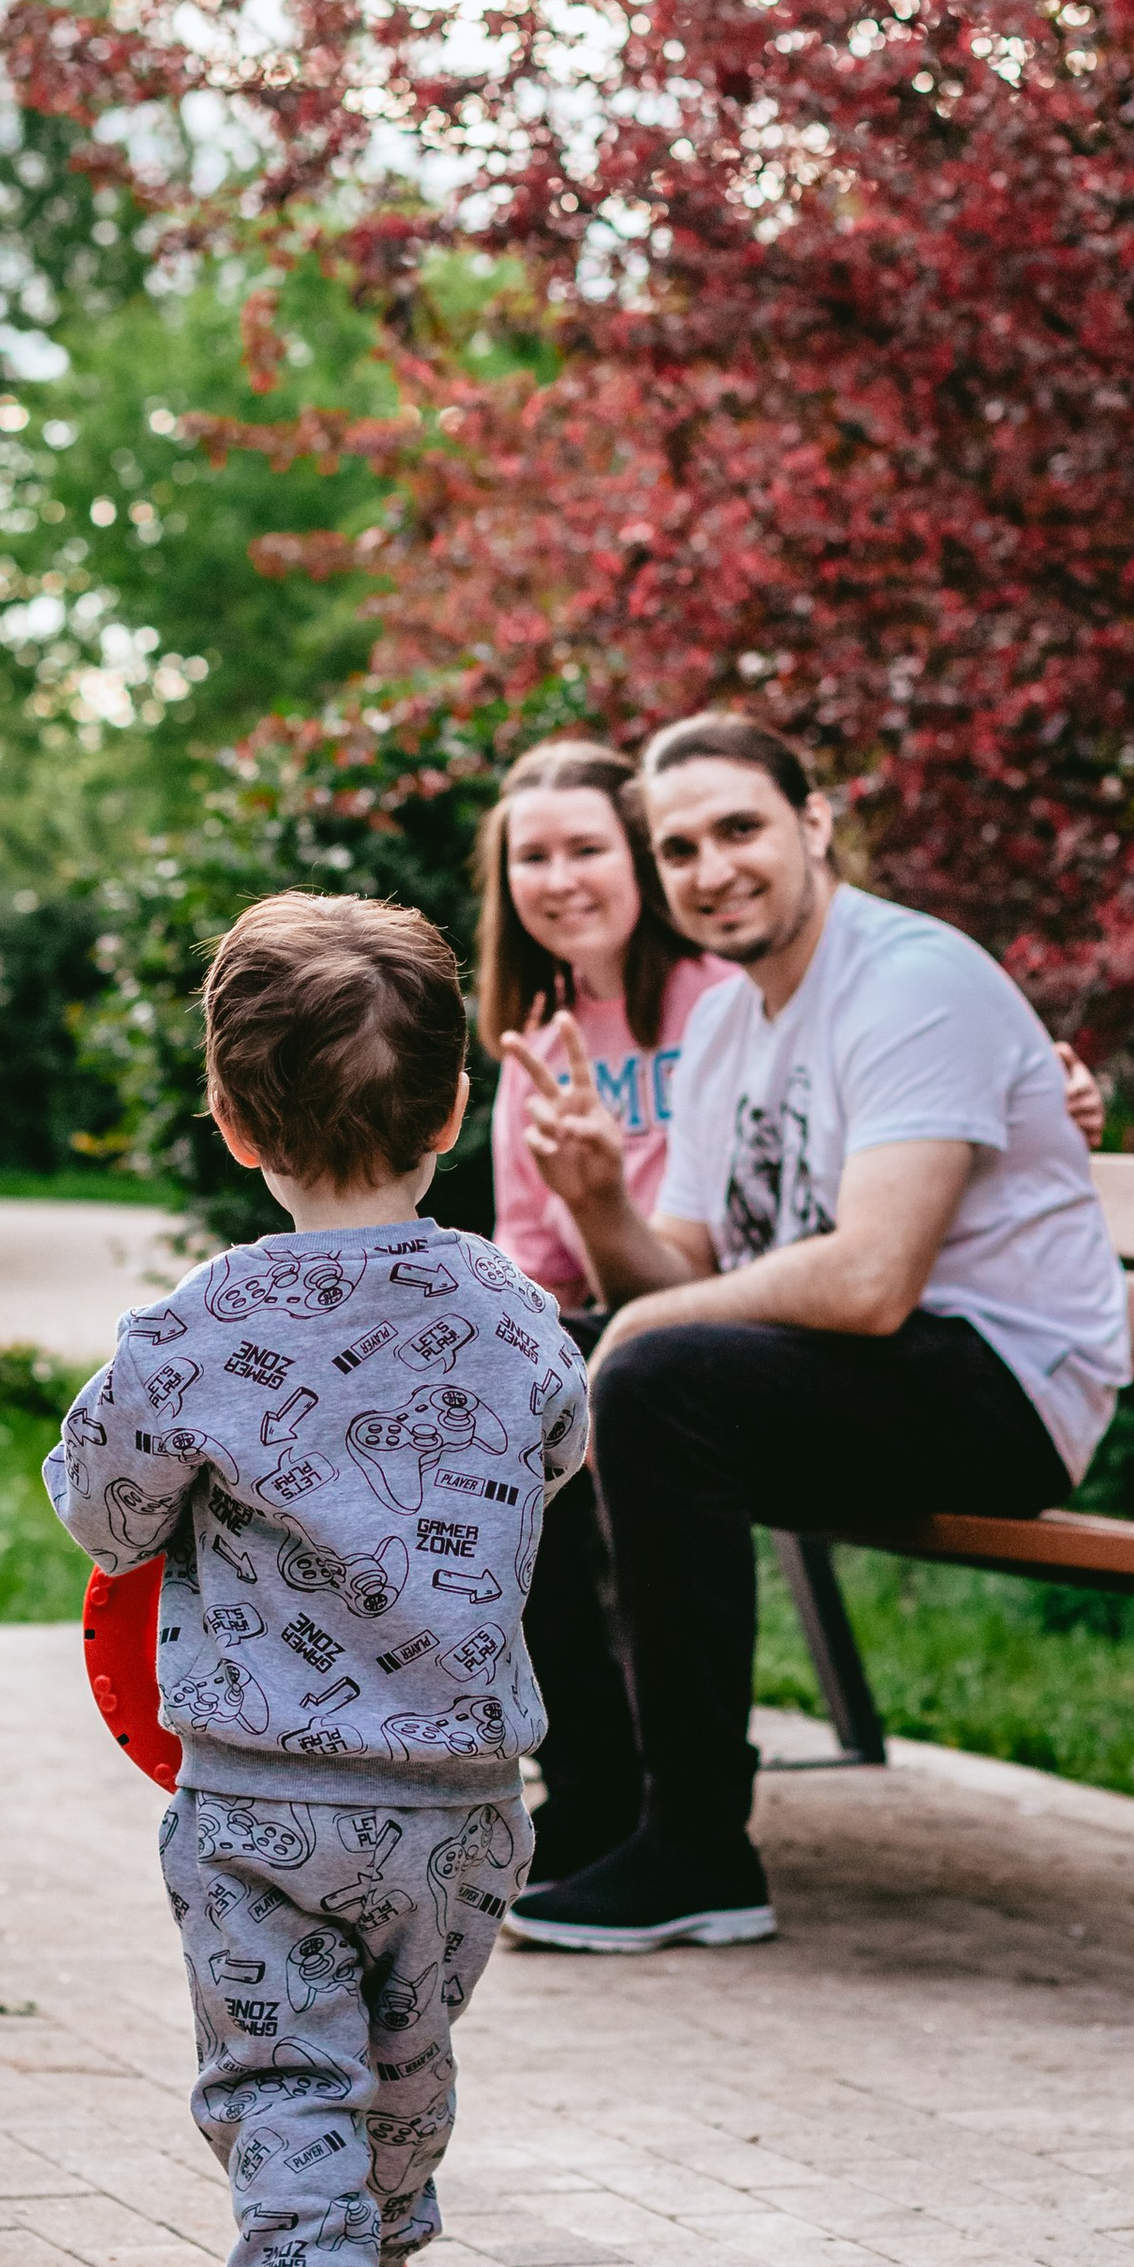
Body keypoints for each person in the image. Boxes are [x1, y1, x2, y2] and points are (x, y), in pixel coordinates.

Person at [44, 891, 589, 2267]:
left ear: (229, 1121)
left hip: (260, 1801)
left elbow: (104, 1510)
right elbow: (562, 1446)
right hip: (462, 1802)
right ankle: (374, 2263)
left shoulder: (198, 1326)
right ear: (456, 1108)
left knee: (287, 2063)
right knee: (405, 2062)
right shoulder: (512, 1308)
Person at [498, 712, 1129, 1956]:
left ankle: (698, 1847)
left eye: (740, 829)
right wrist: (597, 1201)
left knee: (652, 1372)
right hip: (865, 1377)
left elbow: (874, 1280)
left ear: (815, 821)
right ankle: (600, 1805)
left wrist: (634, 1330)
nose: (711, 869)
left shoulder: (911, 981)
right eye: (679, 849)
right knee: (534, 1374)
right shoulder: (729, 1025)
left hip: (1004, 1384)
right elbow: (680, 1269)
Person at [477, 741, 723, 1883]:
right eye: (532, 856)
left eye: (587, 847)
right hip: (601, 1338)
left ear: (640, 858)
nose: (560, 878)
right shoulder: (538, 1040)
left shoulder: (720, 1001)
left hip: (719, 1334)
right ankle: (584, 1777)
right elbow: (531, 1264)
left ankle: (619, 1793)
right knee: (490, 1397)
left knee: (568, 1386)